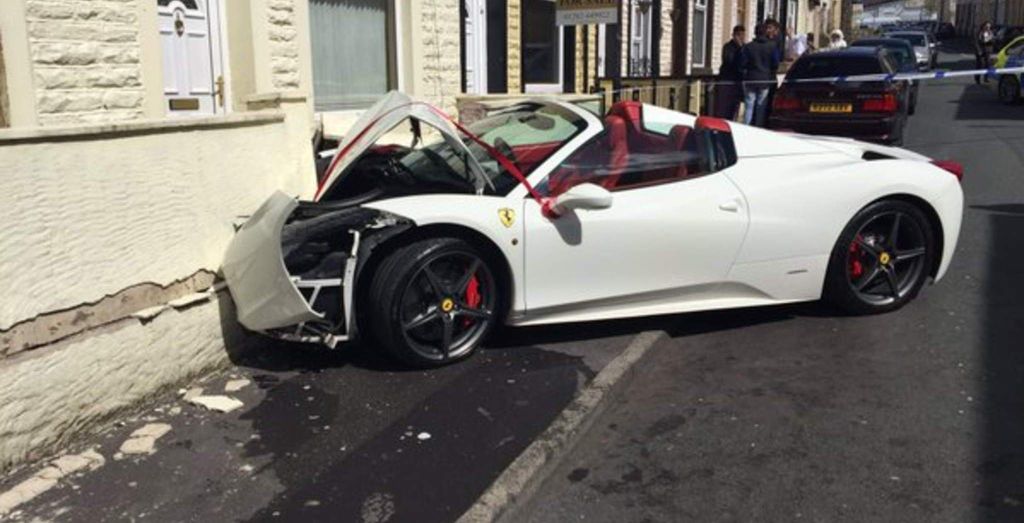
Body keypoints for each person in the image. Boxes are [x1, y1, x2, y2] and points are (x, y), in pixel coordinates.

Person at [739, 19, 781, 127]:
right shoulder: (772, 46)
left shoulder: (748, 47)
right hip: (765, 80)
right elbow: (776, 63)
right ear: (765, 33)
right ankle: (758, 127)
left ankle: (746, 127)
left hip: (750, 79)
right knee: (761, 106)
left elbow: (743, 62)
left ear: (755, 33)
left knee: (749, 106)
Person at [716, 25, 746, 120]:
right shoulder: (728, 47)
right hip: (727, 80)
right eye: (739, 35)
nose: (741, 37)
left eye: (742, 35)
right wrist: (739, 49)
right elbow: (728, 61)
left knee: (735, 106)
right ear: (734, 35)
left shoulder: (744, 48)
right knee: (724, 107)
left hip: (738, 80)